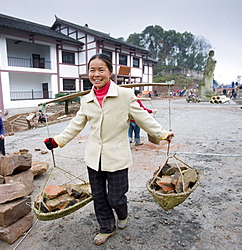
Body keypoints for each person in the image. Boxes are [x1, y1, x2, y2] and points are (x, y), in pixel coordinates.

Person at [43, 53, 174, 246]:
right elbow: (76, 124)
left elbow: (143, 118)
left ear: (110, 72)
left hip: (118, 156)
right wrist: (57, 141)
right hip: (94, 157)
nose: (96, 74)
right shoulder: (86, 99)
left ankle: (122, 215)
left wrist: (162, 133)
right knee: (98, 197)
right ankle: (106, 227)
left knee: (116, 197)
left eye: (101, 69)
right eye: (92, 70)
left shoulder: (125, 95)